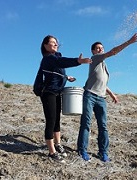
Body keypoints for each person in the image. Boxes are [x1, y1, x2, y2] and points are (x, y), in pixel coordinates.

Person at [77, 33, 137, 162]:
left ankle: (103, 152)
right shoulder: (95, 59)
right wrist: (128, 42)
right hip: (90, 95)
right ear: (93, 51)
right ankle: (82, 150)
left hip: (101, 98)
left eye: (102, 48)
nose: (100, 49)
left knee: (103, 126)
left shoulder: (104, 65)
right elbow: (113, 52)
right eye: (98, 48)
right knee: (86, 124)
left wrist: (112, 95)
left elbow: (102, 83)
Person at [39, 35, 92, 163]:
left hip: (57, 92)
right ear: (45, 46)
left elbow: (57, 71)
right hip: (48, 93)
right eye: (52, 42)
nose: (55, 44)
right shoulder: (48, 58)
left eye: (56, 43)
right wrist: (78, 61)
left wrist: (66, 77)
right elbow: (60, 62)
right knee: (51, 120)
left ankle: (58, 144)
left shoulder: (55, 58)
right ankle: (52, 152)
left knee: (57, 120)